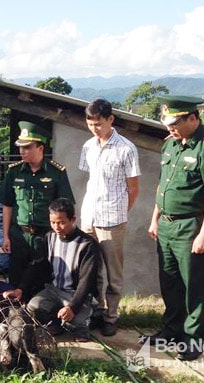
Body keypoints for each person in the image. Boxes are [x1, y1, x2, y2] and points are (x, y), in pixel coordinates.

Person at [146, 95, 204, 361]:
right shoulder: (170, 144)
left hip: (191, 226)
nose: (170, 128)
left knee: (193, 285)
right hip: (166, 225)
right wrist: (155, 218)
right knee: (169, 282)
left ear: (193, 118)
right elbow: (163, 184)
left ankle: (192, 340)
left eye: (176, 123)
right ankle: (171, 330)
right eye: (168, 122)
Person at [78, 98, 140, 337]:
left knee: (114, 273)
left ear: (110, 120)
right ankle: (96, 311)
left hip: (113, 219)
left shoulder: (126, 148)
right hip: (89, 217)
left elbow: (133, 188)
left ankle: (111, 316)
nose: (95, 128)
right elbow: (91, 180)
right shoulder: (88, 146)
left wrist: (121, 213)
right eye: (90, 123)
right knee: (92, 270)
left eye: (99, 123)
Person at [0, 121, 75, 295]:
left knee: (43, 278)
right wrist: (6, 236)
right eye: (20, 147)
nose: (22, 151)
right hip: (19, 235)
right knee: (16, 278)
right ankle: (16, 318)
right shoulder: (13, 172)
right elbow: (7, 205)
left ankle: (40, 316)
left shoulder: (56, 172)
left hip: (45, 235)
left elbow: (65, 206)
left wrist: (62, 235)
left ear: (40, 147)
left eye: (27, 147)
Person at [4, 198, 99, 340]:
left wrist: (72, 307)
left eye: (61, 222)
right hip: (53, 290)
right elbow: (37, 264)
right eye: (53, 222)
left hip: (75, 294)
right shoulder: (50, 237)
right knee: (33, 308)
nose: (56, 227)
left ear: (73, 219)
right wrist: (21, 288)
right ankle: (56, 322)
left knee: (77, 326)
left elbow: (86, 281)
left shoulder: (87, 244)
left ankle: (90, 317)